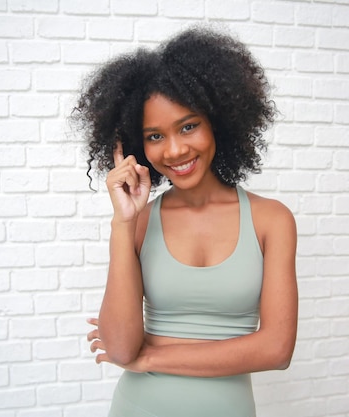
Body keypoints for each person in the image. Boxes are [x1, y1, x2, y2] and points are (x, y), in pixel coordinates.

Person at [72, 25, 298, 417]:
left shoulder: (270, 220)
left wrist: (152, 358)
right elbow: (122, 348)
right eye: (154, 136)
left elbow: (276, 349)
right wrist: (122, 222)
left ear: (218, 122)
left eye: (188, 126)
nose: (174, 150)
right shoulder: (139, 223)